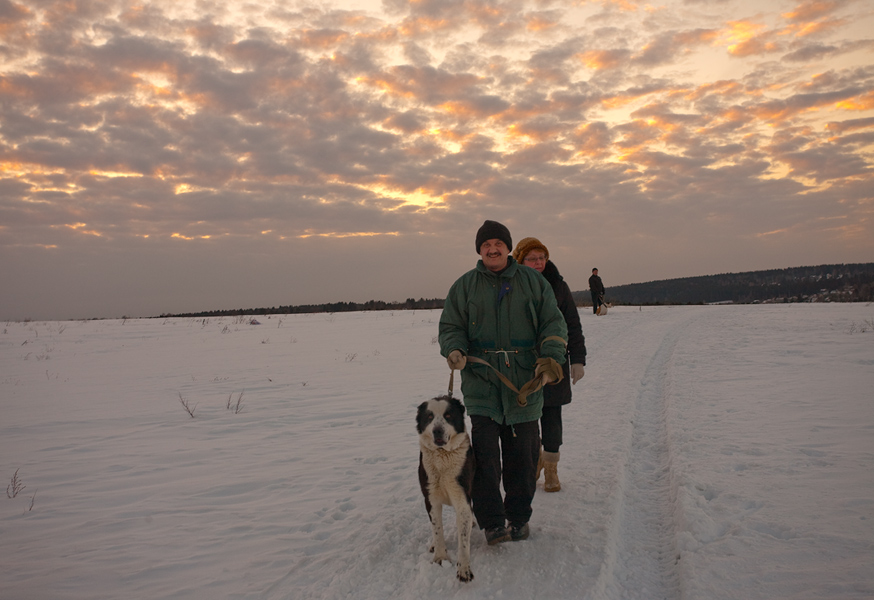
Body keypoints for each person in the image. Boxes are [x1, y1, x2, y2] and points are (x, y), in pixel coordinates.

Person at [439, 220, 568, 545]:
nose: (492, 249)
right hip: (481, 383)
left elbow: (553, 322)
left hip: (524, 384)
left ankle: (519, 518)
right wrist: (454, 349)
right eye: (486, 245)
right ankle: (493, 523)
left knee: (523, 457)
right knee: (484, 459)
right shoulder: (464, 286)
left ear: (508, 248)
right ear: (479, 250)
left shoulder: (533, 282)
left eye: (498, 244)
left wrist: (551, 357)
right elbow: (451, 325)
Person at [512, 238, 586, 493]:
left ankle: (551, 467)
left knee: (552, 417)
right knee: (528, 420)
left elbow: (572, 324)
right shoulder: (511, 285)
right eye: (532, 258)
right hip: (522, 365)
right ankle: (535, 461)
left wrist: (578, 359)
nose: (538, 263)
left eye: (542, 257)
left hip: (553, 364)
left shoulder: (558, 286)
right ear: (520, 260)